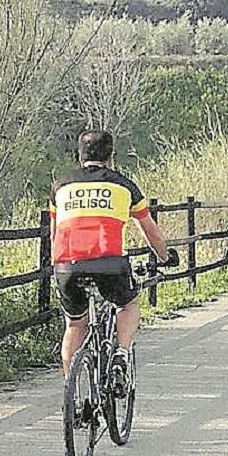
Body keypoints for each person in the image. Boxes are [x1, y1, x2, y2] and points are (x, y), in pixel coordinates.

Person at [49, 130, 177, 387]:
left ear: (79, 155)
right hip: (109, 262)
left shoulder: (60, 187)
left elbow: (54, 233)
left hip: (66, 264)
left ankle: (70, 390)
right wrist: (164, 257)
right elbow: (149, 229)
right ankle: (120, 352)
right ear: (111, 158)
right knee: (128, 305)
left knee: (75, 324)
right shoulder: (123, 185)